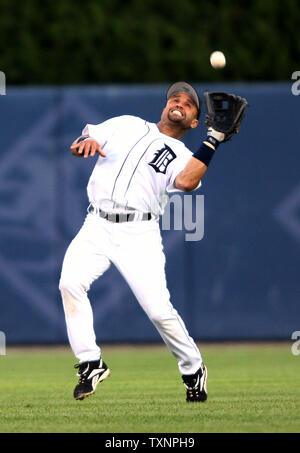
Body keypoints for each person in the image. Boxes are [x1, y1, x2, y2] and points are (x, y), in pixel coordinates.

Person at [59, 81, 225, 402]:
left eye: (189, 103)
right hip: (96, 223)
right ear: (164, 106)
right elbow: (85, 139)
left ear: (193, 122)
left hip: (138, 233)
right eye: (175, 98)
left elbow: (188, 181)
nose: (180, 102)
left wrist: (214, 139)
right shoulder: (127, 124)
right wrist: (85, 142)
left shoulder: (183, 154)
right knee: (70, 284)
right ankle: (91, 362)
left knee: (159, 311)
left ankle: (193, 368)